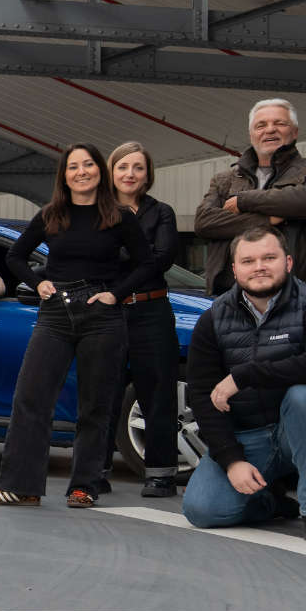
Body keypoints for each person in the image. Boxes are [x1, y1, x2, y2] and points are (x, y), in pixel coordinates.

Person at [0, 143, 158, 509]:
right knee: (31, 398)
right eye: (73, 166)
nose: (81, 171)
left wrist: (116, 295)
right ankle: (20, 486)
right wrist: (36, 282)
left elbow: (147, 265)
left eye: (88, 164)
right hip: (55, 313)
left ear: (99, 170)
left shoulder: (119, 216)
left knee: (95, 405)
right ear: (64, 175)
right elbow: (14, 256)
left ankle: (85, 486)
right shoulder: (51, 214)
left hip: (101, 314)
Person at [179, 227, 306, 542]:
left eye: (269, 258)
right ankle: (270, 501)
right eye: (248, 261)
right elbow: (202, 394)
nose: (259, 266)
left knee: (304, 394)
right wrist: (231, 459)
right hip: (251, 435)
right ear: (235, 270)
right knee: (202, 511)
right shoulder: (213, 318)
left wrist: (244, 375)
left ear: (288, 262)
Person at [193, 100, 306, 294]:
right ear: (251, 136)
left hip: (299, 293)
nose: (270, 130)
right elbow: (204, 222)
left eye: (279, 123)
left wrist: (245, 201)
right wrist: (268, 218)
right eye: (261, 125)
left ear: (294, 132)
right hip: (232, 294)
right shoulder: (224, 180)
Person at [107, 141, 182, 497]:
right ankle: (94, 471)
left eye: (138, 167)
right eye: (123, 167)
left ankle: (160, 474)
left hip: (152, 311)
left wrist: (119, 255)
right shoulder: (96, 213)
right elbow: (95, 260)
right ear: (111, 173)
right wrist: (141, 256)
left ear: (148, 174)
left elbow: (163, 257)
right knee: (102, 393)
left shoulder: (161, 212)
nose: (130, 174)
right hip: (109, 312)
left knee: (158, 394)